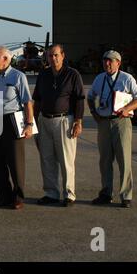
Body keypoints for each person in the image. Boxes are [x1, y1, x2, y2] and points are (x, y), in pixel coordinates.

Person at [87, 50, 137, 208]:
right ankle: (106, 193)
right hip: (104, 122)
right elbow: (90, 97)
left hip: (121, 122)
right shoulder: (100, 79)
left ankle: (126, 195)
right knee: (105, 160)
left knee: (124, 159)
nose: (107, 63)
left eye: (111, 61)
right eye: (105, 61)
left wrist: (128, 108)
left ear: (118, 63)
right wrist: (94, 112)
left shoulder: (127, 78)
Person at [32, 44, 85, 207]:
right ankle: (51, 193)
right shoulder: (44, 74)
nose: (53, 58)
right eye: (50, 56)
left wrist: (78, 121)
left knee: (66, 159)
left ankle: (69, 194)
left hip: (64, 121)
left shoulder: (72, 74)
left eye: (56, 55)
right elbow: (38, 100)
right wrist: (33, 122)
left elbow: (79, 99)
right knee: (47, 159)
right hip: (44, 120)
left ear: (63, 55)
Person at [0, 46, 34, 210]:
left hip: (11, 119)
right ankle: (3, 196)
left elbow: (27, 102)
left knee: (15, 161)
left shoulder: (18, 76)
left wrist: (29, 124)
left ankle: (18, 196)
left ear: (6, 59)